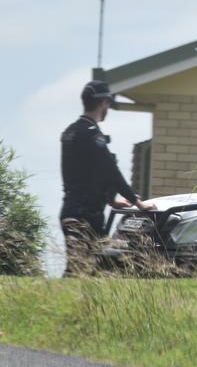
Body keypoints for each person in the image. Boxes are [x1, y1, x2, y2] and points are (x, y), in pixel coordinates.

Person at [60, 80, 155, 276]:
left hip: (70, 208)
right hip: (86, 214)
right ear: (103, 103)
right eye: (108, 104)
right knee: (90, 270)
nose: (108, 108)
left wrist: (110, 200)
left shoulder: (70, 131)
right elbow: (110, 171)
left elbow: (83, 173)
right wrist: (138, 202)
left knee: (81, 269)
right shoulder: (91, 134)